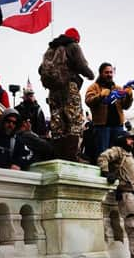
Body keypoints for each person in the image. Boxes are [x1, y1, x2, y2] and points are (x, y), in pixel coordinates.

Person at [39, 27, 94, 161]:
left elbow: (41, 69)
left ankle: (59, 154)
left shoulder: (50, 49)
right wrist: (90, 75)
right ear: (76, 39)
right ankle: (71, 155)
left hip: (53, 91)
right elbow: (81, 65)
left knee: (57, 122)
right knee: (74, 120)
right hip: (69, 87)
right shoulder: (73, 46)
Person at [85, 62, 133, 156]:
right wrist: (100, 96)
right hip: (102, 127)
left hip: (118, 126)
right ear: (101, 73)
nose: (109, 75)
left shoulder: (118, 88)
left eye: (111, 72)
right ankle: (104, 171)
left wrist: (129, 96)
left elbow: (125, 106)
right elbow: (88, 101)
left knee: (118, 154)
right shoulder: (94, 87)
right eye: (106, 72)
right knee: (103, 154)